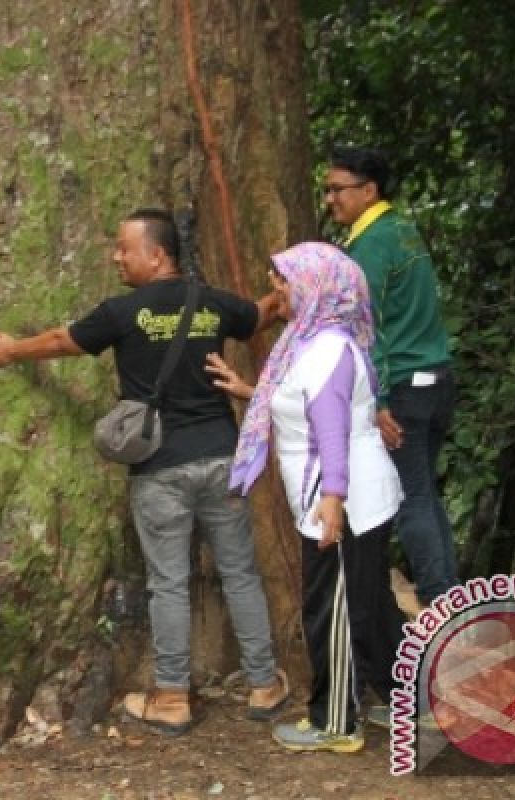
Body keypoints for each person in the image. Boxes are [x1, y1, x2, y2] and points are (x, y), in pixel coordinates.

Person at [0, 208, 289, 736]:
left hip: (160, 466)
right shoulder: (210, 302)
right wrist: (283, 299)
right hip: (222, 459)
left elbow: (59, 341)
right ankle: (263, 684)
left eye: (124, 248)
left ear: (157, 254)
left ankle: (170, 697)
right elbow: (256, 316)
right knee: (240, 572)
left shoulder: (123, 311)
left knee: (168, 582)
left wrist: (8, 352)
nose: (116, 257)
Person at [212, 242, 405, 753]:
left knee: (334, 610)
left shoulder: (325, 351)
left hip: (341, 500)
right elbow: (309, 404)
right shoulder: (320, 342)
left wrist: (334, 499)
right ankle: (407, 699)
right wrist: (252, 393)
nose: (276, 289)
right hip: (354, 496)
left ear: (318, 288)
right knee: (370, 602)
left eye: (285, 280)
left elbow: (331, 428)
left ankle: (336, 721)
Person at [324, 146, 457, 607]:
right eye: (327, 190)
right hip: (436, 379)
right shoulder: (402, 229)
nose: (329, 200)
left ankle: (441, 605)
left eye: (337, 190)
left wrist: (378, 402)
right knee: (424, 492)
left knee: (411, 497)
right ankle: (450, 598)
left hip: (402, 385)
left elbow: (368, 329)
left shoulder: (371, 246)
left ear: (369, 190)